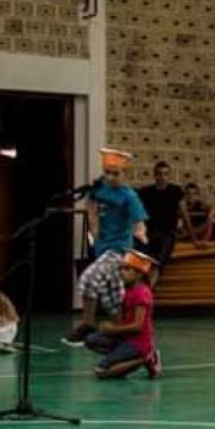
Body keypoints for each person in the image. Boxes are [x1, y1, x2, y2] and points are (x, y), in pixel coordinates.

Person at [64, 149, 149, 347]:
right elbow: (90, 203)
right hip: (102, 247)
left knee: (89, 278)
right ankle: (119, 332)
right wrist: (93, 226)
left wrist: (141, 232)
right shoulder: (99, 188)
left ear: (124, 173)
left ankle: (87, 324)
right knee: (112, 293)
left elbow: (139, 221)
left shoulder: (129, 196)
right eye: (108, 173)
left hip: (119, 249)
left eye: (115, 173)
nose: (111, 177)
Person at [84, 249, 161, 379]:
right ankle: (123, 356)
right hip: (126, 338)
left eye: (127, 269)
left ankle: (145, 358)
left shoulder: (142, 293)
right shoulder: (127, 290)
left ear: (139, 274)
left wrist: (112, 330)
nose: (121, 272)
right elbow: (121, 317)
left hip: (138, 343)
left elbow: (138, 326)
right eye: (121, 269)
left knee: (101, 371)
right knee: (91, 340)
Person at [137, 161, 186, 286]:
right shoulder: (146, 192)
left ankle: (147, 290)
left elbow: (185, 214)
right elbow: (137, 213)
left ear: (169, 175)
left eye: (165, 174)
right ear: (155, 175)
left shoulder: (175, 191)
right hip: (150, 232)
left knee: (157, 262)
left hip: (167, 233)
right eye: (159, 174)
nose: (162, 177)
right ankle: (142, 290)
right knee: (142, 259)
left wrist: (194, 238)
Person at [182, 182, 215, 248]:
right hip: (188, 233)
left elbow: (213, 209)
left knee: (209, 222)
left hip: (199, 233)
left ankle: (203, 242)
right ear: (185, 195)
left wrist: (210, 217)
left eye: (194, 193)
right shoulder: (183, 205)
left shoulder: (200, 203)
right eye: (188, 193)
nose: (191, 196)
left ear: (197, 195)